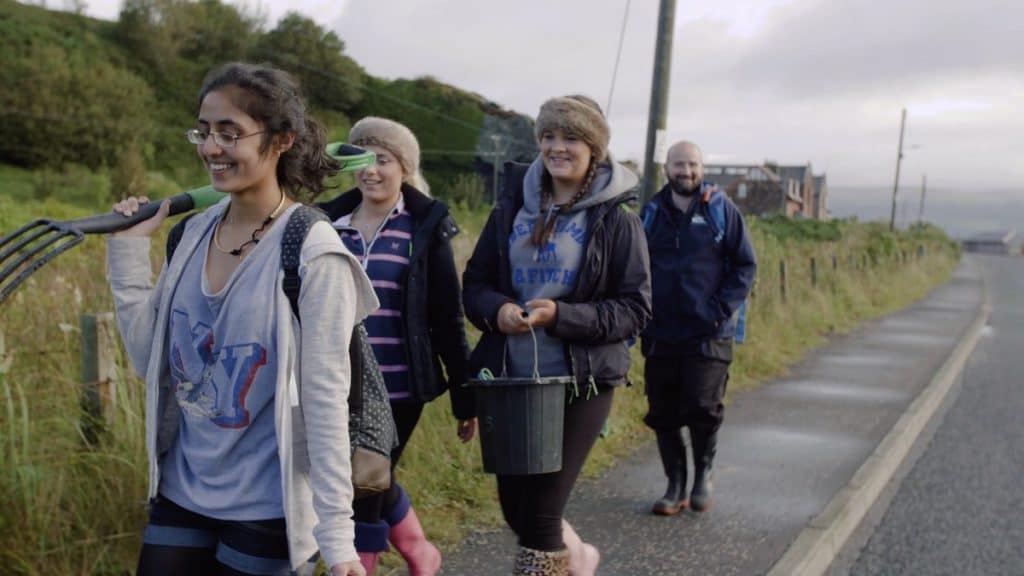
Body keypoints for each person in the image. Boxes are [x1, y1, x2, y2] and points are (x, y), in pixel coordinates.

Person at [105, 62, 373, 576]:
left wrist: (338, 540)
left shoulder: (314, 254)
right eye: (204, 132)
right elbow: (149, 361)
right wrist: (128, 255)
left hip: (267, 508)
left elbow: (323, 401)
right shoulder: (190, 235)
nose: (210, 148)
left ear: (281, 141)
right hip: (183, 490)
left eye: (230, 134)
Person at [463, 95, 651, 576]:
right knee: (516, 508)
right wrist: (499, 310)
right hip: (513, 380)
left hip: (581, 381)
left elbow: (634, 309)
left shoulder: (616, 220)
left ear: (593, 147)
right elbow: (476, 285)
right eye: (548, 136)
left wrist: (561, 316)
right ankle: (579, 559)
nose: (556, 147)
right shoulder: (511, 209)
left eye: (570, 137)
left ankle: (559, 561)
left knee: (543, 516)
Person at [317, 116, 476, 576]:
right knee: (366, 478)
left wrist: (465, 396)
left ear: (404, 167)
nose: (371, 171)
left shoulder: (424, 230)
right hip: (338, 385)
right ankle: (418, 549)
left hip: (399, 388)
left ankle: (360, 566)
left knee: (364, 485)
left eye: (382, 160)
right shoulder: (328, 223)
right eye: (362, 159)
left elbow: (448, 317)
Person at [639, 140, 756, 516]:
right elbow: (635, 267)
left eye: (691, 164)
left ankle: (703, 473)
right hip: (660, 331)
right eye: (678, 165)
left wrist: (720, 309)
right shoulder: (651, 213)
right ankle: (675, 485)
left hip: (709, 332)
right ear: (666, 169)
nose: (685, 171)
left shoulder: (721, 211)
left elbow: (744, 265)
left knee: (702, 406)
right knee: (663, 411)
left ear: (701, 168)